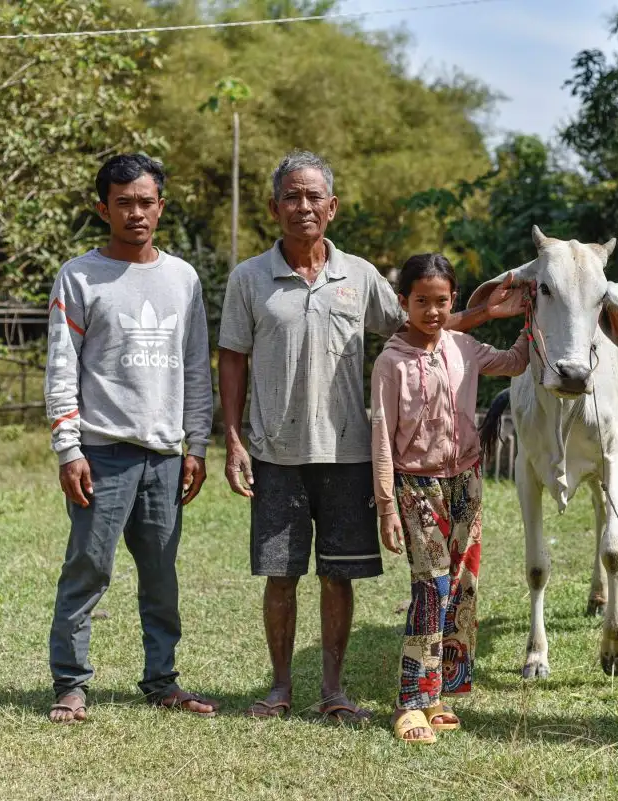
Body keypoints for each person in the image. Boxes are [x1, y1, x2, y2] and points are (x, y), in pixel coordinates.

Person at [218, 151, 525, 721]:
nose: (302, 206)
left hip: (347, 453)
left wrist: (481, 317)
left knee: (339, 575)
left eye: (314, 197)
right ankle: (280, 688)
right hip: (275, 452)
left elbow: (419, 321)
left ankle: (333, 691)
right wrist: (233, 439)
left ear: (332, 208)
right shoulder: (248, 279)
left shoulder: (358, 276)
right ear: (273, 206)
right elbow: (232, 358)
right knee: (280, 575)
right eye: (292, 195)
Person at [44, 153, 217, 723]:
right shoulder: (79, 276)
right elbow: (61, 368)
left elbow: (196, 367)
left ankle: (162, 680)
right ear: (103, 208)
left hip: (165, 455)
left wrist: (198, 445)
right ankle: (71, 683)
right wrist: (69, 449)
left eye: (146, 202)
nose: (136, 213)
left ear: (161, 206)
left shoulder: (183, 278)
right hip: (101, 453)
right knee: (89, 568)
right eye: (123, 203)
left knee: (161, 574)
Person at [371, 253, 529, 744]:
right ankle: (410, 701)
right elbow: (380, 437)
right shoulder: (391, 361)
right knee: (429, 587)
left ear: (454, 301)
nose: (433, 312)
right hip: (417, 487)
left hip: (467, 480)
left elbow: (517, 362)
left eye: (442, 302)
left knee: (461, 586)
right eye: (422, 301)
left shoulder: (465, 346)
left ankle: (440, 692)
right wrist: (386, 506)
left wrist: (530, 316)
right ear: (403, 303)